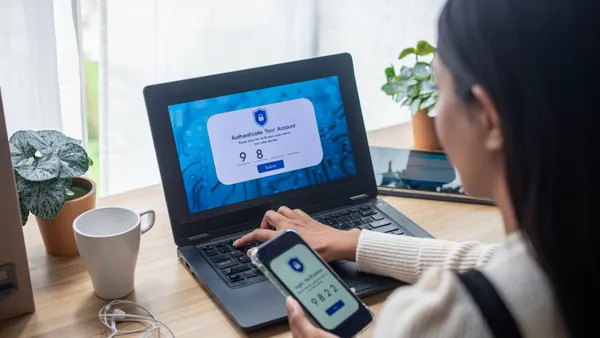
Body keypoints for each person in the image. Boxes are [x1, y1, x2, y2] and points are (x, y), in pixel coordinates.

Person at [234, 0, 599, 336]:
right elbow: (495, 262)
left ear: (489, 119)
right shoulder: (564, 256)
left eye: (439, 90)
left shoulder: (444, 321)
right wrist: (354, 241)